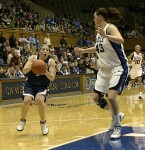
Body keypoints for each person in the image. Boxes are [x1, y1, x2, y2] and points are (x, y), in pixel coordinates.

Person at [75, 7, 129, 138]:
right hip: (104, 69)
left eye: (94, 17)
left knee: (110, 97)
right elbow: (98, 48)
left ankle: (117, 126)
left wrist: (106, 35)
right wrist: (84, 50)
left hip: (118, 67)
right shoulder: (99, 33)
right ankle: (116, 115)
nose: (93, 19)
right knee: (96, 98)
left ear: (100, 17)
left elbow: (121, 40)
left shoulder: (109, 28)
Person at [17, 44, 56, 135]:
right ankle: (22, 121)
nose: (45, 51)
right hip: (30, 84)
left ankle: (43, 123)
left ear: (48, 52)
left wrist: (44, 71)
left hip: (42, 86)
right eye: (43, 49)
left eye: (47, 50)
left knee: (39, 100)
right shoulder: (33, 58)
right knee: (27, 100)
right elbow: (24, 71)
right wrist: (34, 66)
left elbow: (52, 78)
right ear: (39, 51)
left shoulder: (51, 61)